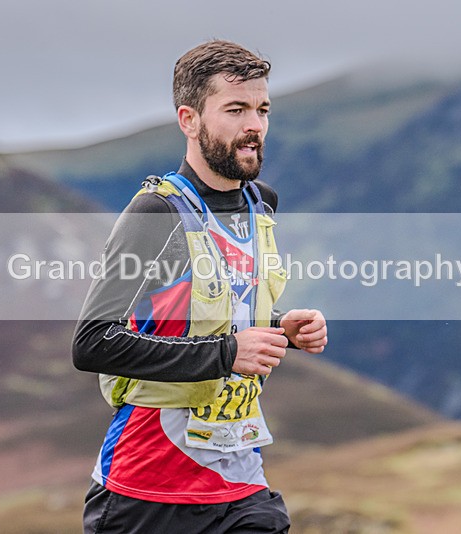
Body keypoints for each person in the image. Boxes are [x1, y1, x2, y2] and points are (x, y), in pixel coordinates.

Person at [72, 39, 328, 534]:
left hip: (240, 481)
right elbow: (92, 343)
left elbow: (216, 315)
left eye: (262, 109)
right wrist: (227, 353)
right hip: (148, 489)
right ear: (189, 120)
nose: (254, 125)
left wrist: (280, 329)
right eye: (235, 109)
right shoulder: (155, 214)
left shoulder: (262, 205)